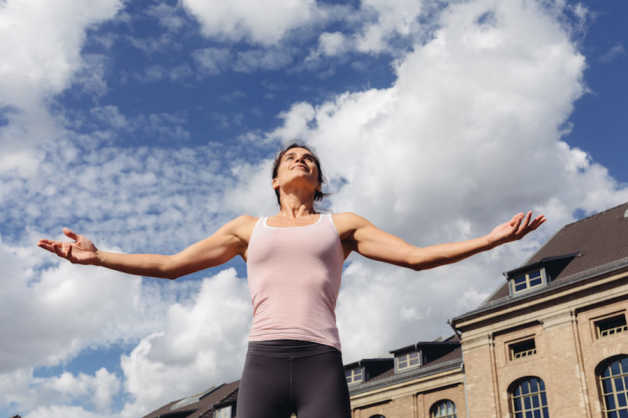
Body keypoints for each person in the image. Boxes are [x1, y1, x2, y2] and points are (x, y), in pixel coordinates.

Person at [38, 143, 545, 418]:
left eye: (311, 160)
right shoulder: (246, 229)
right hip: (263, 361)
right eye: (291, 157)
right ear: (276, 179)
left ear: (318, 182)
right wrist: (100, 256)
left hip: (320, 361)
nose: (302, 160)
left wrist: (488, 241)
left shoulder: (343, 225)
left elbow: (414, 257)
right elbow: (173, 265)